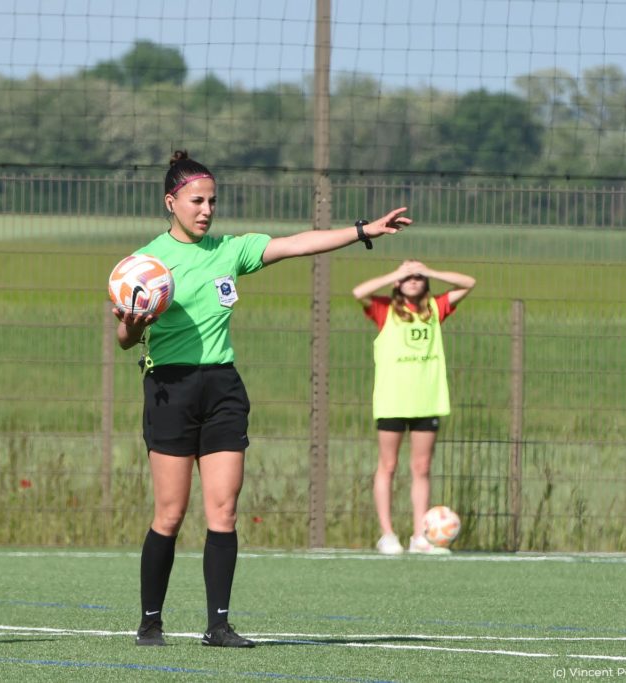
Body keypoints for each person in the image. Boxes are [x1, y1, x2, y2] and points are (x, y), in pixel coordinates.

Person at [115, 150, 410, 648]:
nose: (206, 210)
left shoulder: (230, 250)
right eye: (196, 201)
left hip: (222, 389)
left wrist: (363, 230)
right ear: (171, 202)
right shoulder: (146, 264)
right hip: (170, 389)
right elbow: (125, 339)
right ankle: (150, 622)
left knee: (224, 511)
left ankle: (218, 625)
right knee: (169, 513)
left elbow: (298, 244)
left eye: (212, 201)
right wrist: (131, 323)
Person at [351, 260, 475, 555]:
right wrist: (396, 274)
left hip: (427, 399)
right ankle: (387, 534)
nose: (413, 280)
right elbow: (359, 292)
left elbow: (468, 283)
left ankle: (420, 535)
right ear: (398, 283)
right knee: (388, 465)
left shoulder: (435, 308)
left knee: (421, 467)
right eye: (408, 277)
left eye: (418, 277)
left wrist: (430, 271)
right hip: (393, 400)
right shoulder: (385, 309)